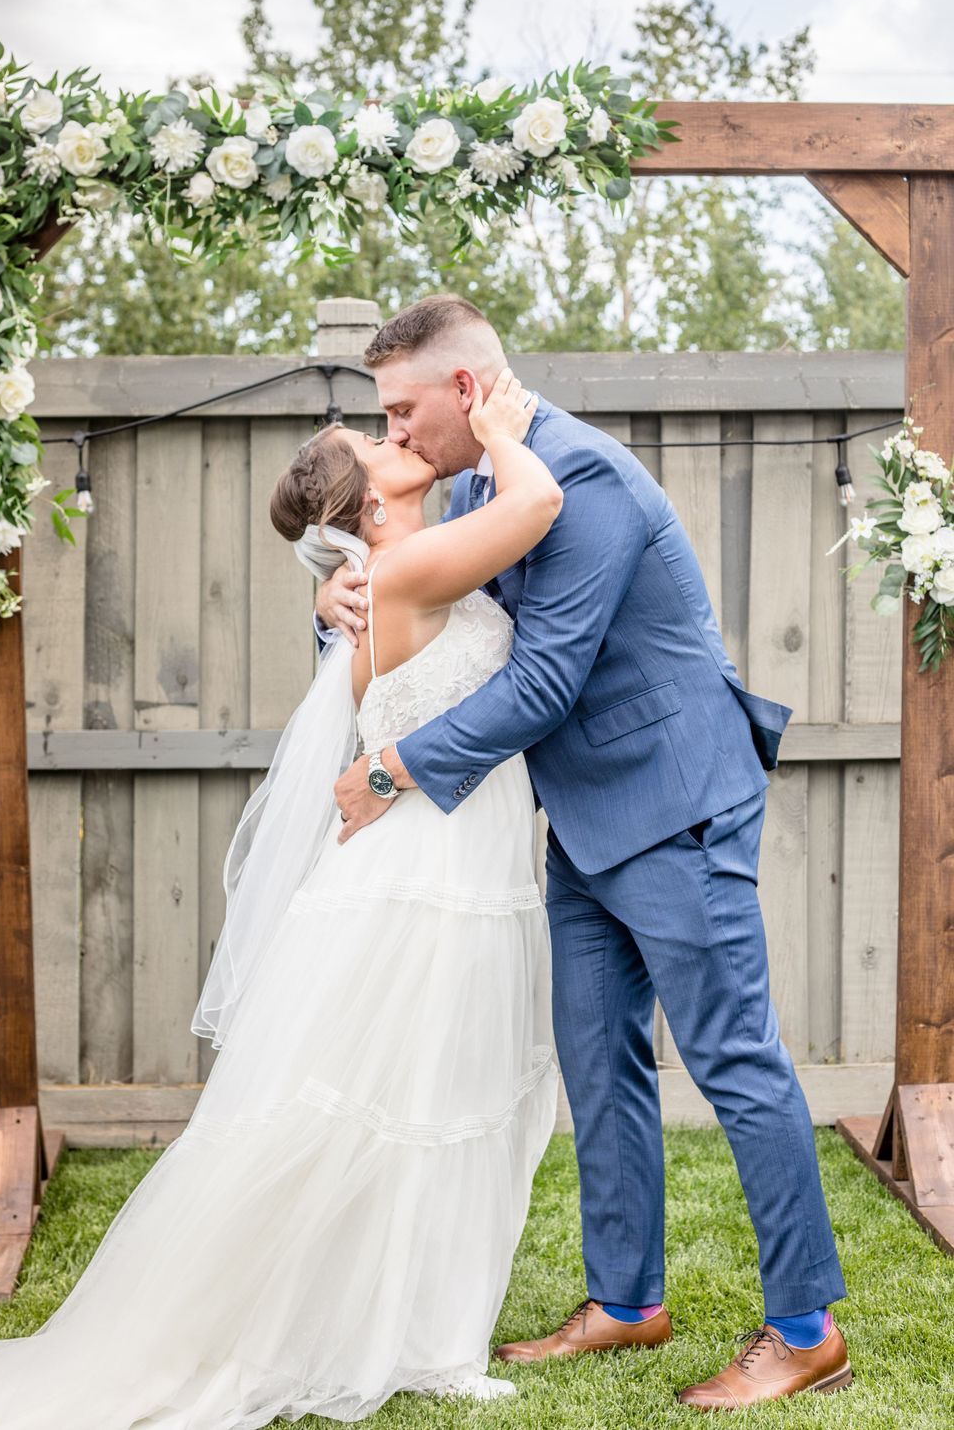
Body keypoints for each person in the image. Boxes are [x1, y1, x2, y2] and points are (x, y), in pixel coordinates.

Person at [0, 371, 562, 1425]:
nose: (393, 435)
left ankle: (426, 1332)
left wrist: (322, 585)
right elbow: (540, 504)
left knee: (433, 1103)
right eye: (375, 442)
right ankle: (387, 1334)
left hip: (453, 859)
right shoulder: (408, 566)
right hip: (422, 877)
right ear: (369, 506)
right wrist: (506, 429)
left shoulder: (382, 572)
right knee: (404, 1107)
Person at [317, 293, 853, 1410]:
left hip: (675, 802)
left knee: (734, 1060)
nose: (397, 433)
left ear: (465, 390)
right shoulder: (477, 482)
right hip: (585, 819)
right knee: (595, 1063)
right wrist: (335, 603)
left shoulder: (582, 477)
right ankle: (625, 1303)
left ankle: (805, 1331)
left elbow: (546, 680)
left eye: (404, 409)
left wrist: (390, 769)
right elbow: (418, 616)